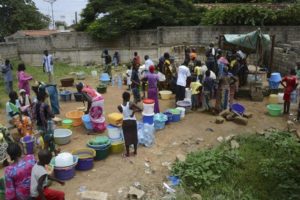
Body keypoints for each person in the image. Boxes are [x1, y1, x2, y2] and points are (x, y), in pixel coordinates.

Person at [32, 90, 57, 154]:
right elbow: (52, 115)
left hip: (39, 126)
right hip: (46, 126)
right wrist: (53, 114)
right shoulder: (45, 105)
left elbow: (33, 116)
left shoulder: (35, 105)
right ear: (43, 97)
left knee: (44, 139)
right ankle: (48, 153)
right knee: (50, 140)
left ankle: (53, 152)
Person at [118, 92, 142, 157]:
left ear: (122, 98)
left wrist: (131, 111)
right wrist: (133, 112)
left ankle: (128, 153)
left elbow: (122, 112)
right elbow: (140, 109)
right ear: (129, 97)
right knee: (134, 136)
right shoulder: (131, 103)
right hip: (133, 122)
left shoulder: (119, 106)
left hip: (125, 123)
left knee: (127, 137)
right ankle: (135, 151)